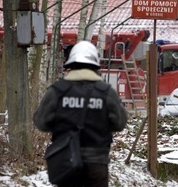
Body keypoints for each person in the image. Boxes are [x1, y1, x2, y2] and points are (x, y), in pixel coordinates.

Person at [34, 41, 127, 187]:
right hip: (97, 162)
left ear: (71, 65)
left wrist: (60, 125)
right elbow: (120, 123)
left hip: (65, 162)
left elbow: (41, 122)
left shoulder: (57, 91)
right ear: (96, 67)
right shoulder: (106, 92)